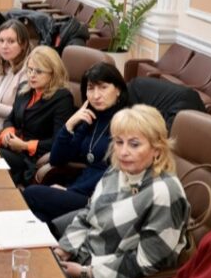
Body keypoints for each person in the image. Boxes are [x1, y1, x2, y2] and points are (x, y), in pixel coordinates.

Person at [54, 105, 190, 278]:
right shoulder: (118, 170)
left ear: (157, 149)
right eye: (119, 142)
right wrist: (63, 250)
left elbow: (146, 262)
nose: (123, 151)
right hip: (82, 259)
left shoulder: (165, 192)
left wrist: (85, 273)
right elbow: (88, 213)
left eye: (134, 144)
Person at [22, 62, 130, 226]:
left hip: (97, 199)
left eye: (103, 87)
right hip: (78, 190)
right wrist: (69, 125)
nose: (96, 95)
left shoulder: (126, 123)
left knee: (31, 194)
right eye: (91, 88)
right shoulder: (90, 118)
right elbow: (57, 159)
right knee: (39, 218)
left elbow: (114, 172)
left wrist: (70, 191)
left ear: (118, 90)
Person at [0, 46, 74, 187]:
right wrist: (8, 131)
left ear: (53, 72)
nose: (31, 75)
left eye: (38, 71)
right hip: (12, 147)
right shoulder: (24, 89)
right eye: (29, 70)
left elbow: (58, 141)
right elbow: (10, 118)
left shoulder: (62, 98)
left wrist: (25, 146)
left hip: (32, 158)